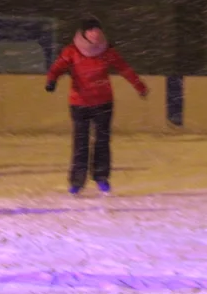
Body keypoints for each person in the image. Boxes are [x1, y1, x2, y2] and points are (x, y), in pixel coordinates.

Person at [45, 18, 147, 195]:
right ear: (84, 33)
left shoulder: (107, 51)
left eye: (97, 30)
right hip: (79, 103)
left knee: (102, 141)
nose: (95, 33)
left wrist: (139, 86)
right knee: (80, 143)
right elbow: (58, 67)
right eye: (91, 30)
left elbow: (124, 68)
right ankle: (77, 181)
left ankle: (101, 177)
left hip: (103, 102)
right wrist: (51, 80)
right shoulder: (72, 51)